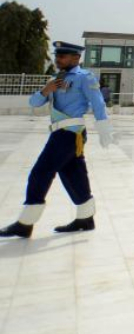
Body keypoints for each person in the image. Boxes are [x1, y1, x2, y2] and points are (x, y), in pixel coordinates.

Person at [1, 42, 116, 238]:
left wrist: (104, 128)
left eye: (62, 56)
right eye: (57, 56)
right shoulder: (55, 79)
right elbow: (34, 103)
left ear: (75, 58)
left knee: (41, 172)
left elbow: (98, 102)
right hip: (59, 133)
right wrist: (46, 90)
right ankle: (85, 218)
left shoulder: (84, 77)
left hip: (70, 134)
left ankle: (26, 222)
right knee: (73, 173)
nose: (58, 59)